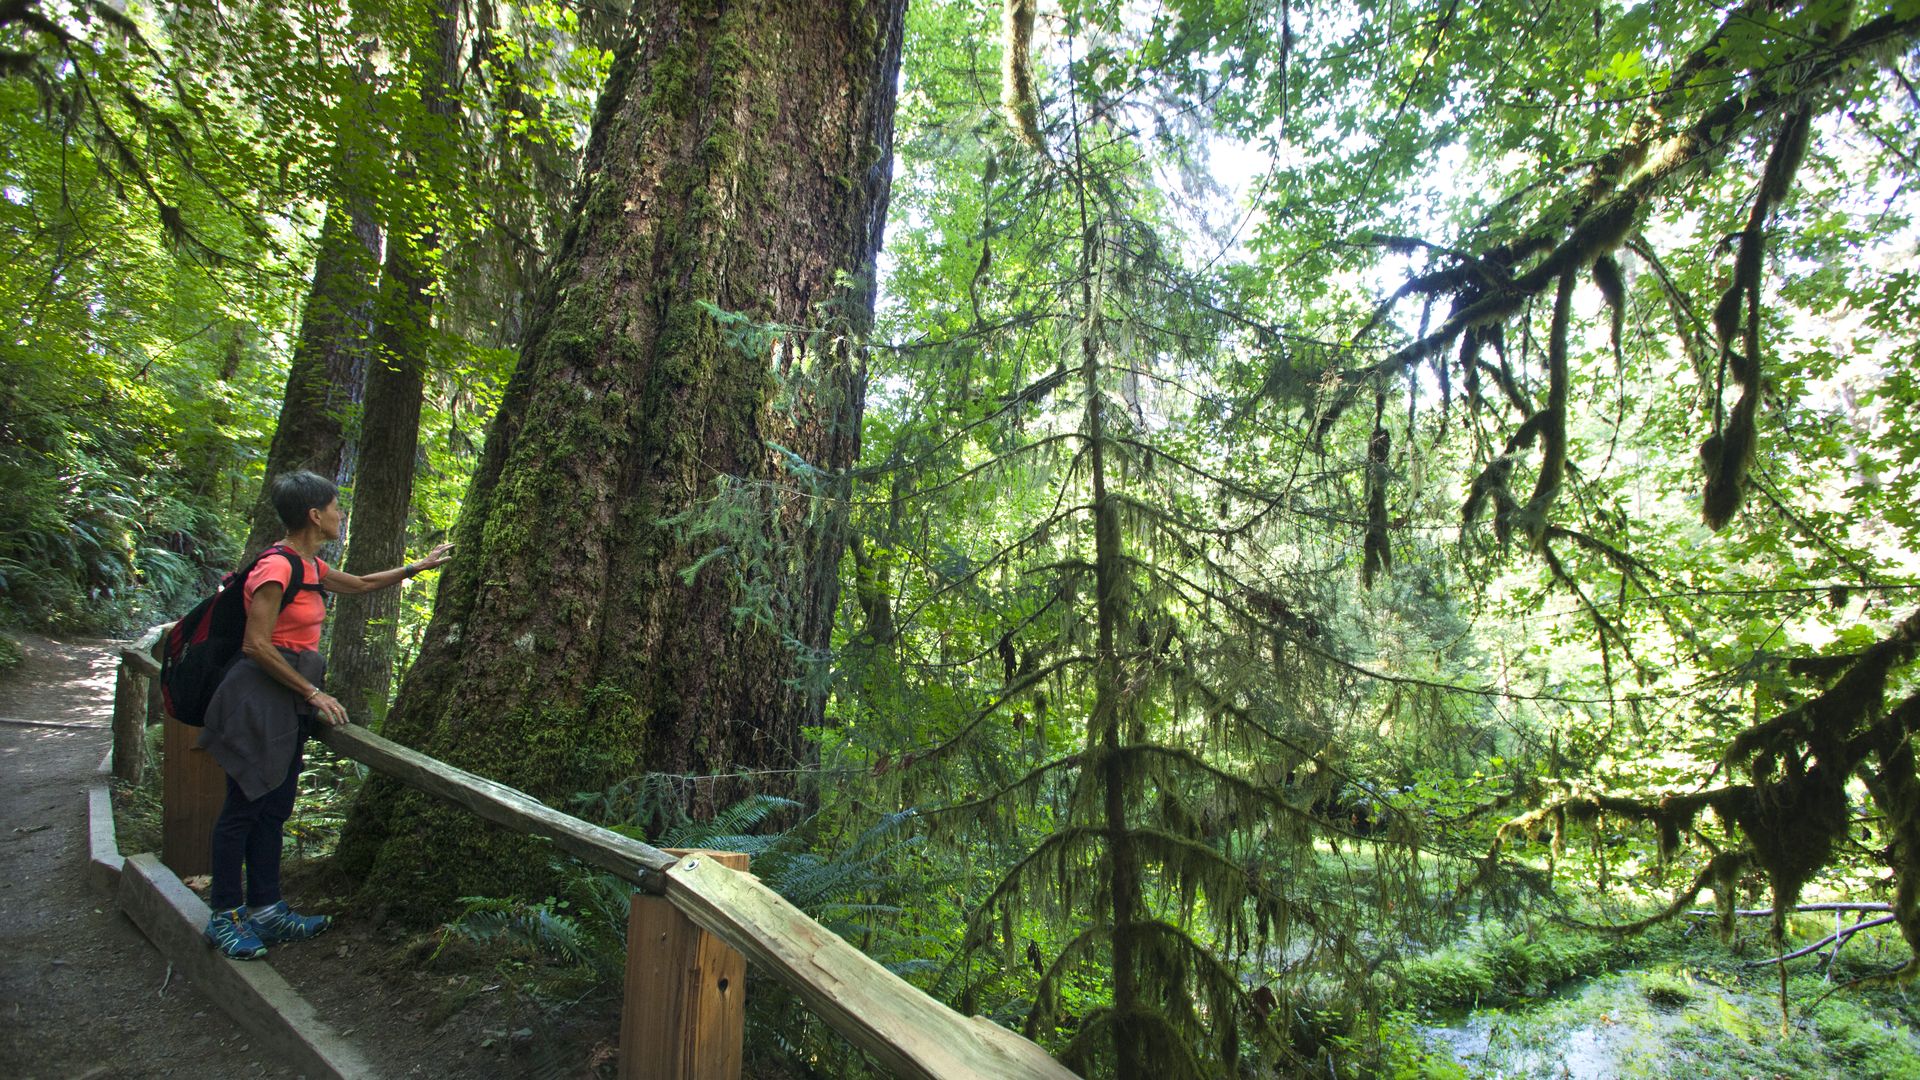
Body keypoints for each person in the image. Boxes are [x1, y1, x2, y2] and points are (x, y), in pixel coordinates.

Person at [197, 470, 451, 960]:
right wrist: (313, 692)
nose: (341, 514)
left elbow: (357, 584)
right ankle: (224, 917)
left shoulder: (309, 564)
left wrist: (418, 566)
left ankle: (267, 909)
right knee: (243, 807)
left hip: (285, 698)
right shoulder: (277, 569)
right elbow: (256, 645)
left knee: (274, 805)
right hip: (258, 697)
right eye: (336, 506)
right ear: (315, 515)